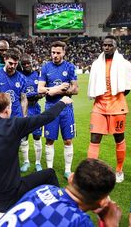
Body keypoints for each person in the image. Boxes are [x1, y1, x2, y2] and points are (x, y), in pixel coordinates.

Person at [0, 158, 122, 227]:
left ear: (71, 178)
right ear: (102, 201)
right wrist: (111, 224)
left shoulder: (43, 189)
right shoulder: (78, 221)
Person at [87, 36, 131, 183]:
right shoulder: (96, 64)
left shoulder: (124, 64)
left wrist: (114, 98)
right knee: (94, 139)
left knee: (119, 138)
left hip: (117, 107)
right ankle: (90, 172)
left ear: (115, 46)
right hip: (99, 106)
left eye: (109, 45)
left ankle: (119, 170)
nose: (106, 48)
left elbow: (126, 89)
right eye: (104, 45)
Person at [38, 41, 78, 179]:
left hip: (66, 108)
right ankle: (49, 170)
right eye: (53, 52)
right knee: (49, 140)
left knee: (68, 140)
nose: (55, 55)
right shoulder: (45, 67)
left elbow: (76, 89)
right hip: (51, 108)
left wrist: (62, 90)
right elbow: (40, 89)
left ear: (63, 53)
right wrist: (55, 90)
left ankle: (67, 170)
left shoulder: (70, 67)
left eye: (58, 53)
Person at [19, 54, 44, 173]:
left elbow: (43, 91)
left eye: (28, 63)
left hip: (35, 109)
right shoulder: (19, 76)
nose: (26, 65)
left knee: (37, 136)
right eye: (24, 64)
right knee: (24, 137)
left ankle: (38, 163)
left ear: (32, 62)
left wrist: (39, 94)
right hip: (24, 109)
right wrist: (33, 95)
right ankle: (26, 162)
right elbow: (20, 94)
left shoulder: (38, 74)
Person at [0, 48, 27, 119]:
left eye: (15, 64)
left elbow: (23, 100)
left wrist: (24, 117)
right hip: (0, 117)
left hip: (17, 117)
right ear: (5, 59)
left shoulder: (22, 78)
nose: (12, 66)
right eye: (10, 63)